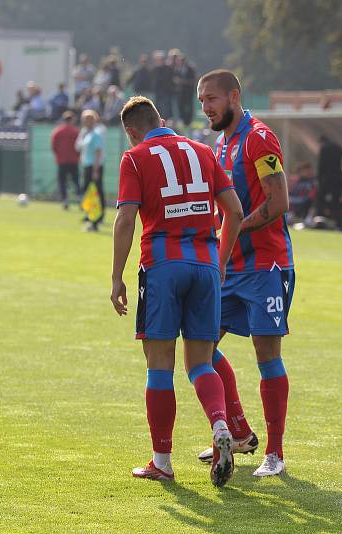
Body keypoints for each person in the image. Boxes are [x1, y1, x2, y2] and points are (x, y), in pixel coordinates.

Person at [111, 95, 244, 485]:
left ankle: (162, 462)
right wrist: (219, 262)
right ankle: (221, 426)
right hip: (205, 265)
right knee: (201, 363)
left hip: (162, 266)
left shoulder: (135, 158)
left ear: (133, 132)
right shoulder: (204, 151)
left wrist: (117, 276)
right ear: (162, 119)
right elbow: (234, 211)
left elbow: (125, 220)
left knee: (159, 368)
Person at [196, 69, 294, 477]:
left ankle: (275, 453)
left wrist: (231, 227)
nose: (206, 108)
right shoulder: (220, 144)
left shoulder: (259, 138)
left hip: (266, 266)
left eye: (212, 99)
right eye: (202, 101)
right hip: (229, 266)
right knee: (199, 345)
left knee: (266, 355)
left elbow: (279, 201)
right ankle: (237, 431)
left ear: (234, 96)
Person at [75, 110, 105, 231]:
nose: (85, 121)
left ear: (93, 120)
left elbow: (98, 153)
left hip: (94, 167)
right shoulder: (86, 133)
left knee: (95, 194)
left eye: (88, 119)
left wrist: (95, 170)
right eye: (84, 119)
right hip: (87, 167)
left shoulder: (96, 134)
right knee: (88, 193)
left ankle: (96, 220)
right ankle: (90, 216)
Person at [51, 111, 81, 209]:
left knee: (62, 181)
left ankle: (65, 200)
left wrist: (58, 157)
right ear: (72, 119)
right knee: (76, 181)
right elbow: (79, 146)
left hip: (62, 161)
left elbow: (54, 146)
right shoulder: (76, 131)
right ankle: (79, 198)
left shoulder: (57, 131)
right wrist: (78, 156)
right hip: (73, 160)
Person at [315, 135, 342, 230]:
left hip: (326, 179)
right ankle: (339, 224)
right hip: (337, 179)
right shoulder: (338, 147)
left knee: (320, 200)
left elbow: (321, 165)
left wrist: (319, 179)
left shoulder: (324, 148)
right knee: (336, 202)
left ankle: (320, 222)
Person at [173, 53, 196, 127]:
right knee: (180, 106)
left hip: (188, 92)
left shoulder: (190, 69)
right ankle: (183, 120)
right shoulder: (177, 69)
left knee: (189, 106)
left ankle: (189, 121)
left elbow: (193, 81)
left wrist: (182, 81)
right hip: (180, 93)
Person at [152, 51, 174, 121]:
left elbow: (167, 80)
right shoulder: (155, 69)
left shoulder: (168, 69)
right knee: (159, 110)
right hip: (158, 93)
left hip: (166, 93)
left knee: (166, 111)